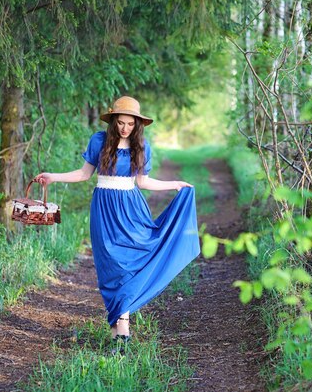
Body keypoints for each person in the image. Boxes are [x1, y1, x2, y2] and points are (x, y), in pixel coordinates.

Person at [34, 96, 200, 346]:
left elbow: (143, 182)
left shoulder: (142, 146)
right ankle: (119, 333)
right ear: (113, 121)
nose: (125, 128)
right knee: (111, 267)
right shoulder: (99, 141)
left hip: (131, 209)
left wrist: (175, 184)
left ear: (137, 125)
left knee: (128, 265)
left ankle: (122, 335)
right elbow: (83, 174)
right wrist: (53, 177)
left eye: (130, 124)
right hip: (104, 210)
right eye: (121, 122)